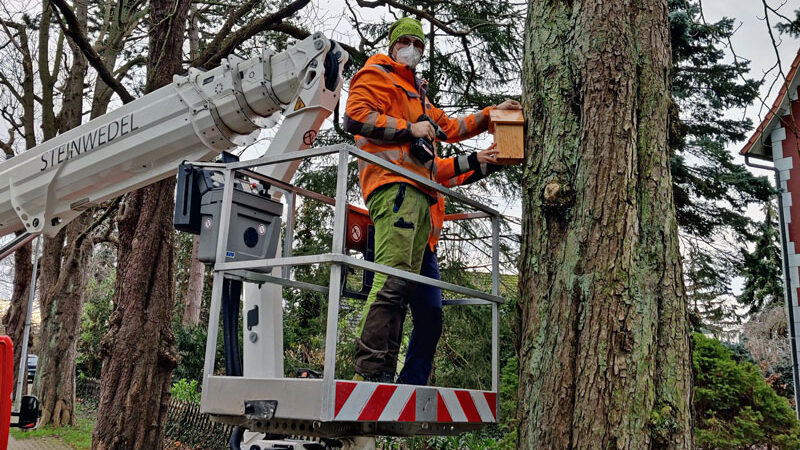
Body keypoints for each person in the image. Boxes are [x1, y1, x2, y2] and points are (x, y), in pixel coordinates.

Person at [344, 16, 521, 382]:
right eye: (406, 41)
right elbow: (355, 119)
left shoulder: (418, 96)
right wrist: (410, 129)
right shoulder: (376, 75)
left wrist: (490, 119)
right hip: (393, 191)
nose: (413, 49)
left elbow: (450, 133)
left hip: (422, 207)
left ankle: (407, 384)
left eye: (419, 44)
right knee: (391, 284)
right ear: (393, 45)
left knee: (428, 308)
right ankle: (369, 375)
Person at [395, 147, 505, 385]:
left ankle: (412, 382)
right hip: (400, 238)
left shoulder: (434, 169)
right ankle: (378, 374)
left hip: (426, 248)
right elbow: (444, 169)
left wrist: (496, 162)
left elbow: (456, 175)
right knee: (391, 309)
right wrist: (475, 158)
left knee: (431, 316)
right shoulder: (406, 159)